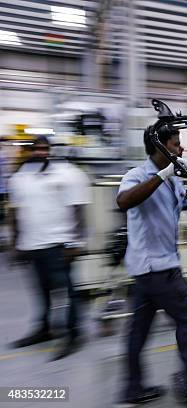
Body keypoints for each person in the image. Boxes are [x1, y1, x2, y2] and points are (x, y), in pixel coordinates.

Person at [116, 126, 187, 405]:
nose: (181, 150)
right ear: (160, 147)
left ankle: (133, 390)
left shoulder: (175, 183)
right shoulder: (137, 176)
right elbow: (123, 201)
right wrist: (163, 174)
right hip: (158, 269)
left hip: (148, 272)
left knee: (138, 331)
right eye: (176, 144)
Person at [7, 135, 89, 360]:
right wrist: (15, 244)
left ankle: (73, 334)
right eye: (36, 149)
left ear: (51, 150)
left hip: (58, 245)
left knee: (68, 293)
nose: (40, 153)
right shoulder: (20, 178)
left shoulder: (67, 174)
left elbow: (78, 210)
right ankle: (45, 329)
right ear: (30, 151)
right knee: (41, 291)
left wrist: (75, 242)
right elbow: (14, 211)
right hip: (32, 245)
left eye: (44, 149)